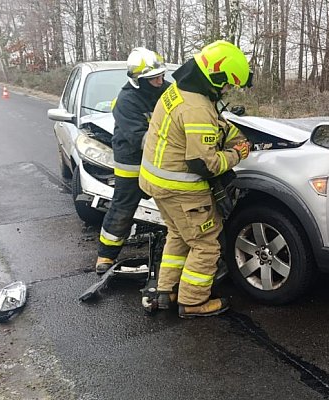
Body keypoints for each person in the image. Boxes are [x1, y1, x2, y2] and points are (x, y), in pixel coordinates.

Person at [138, 40, 252, 318]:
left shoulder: (178, 90)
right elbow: (204, 163)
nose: (226, 91)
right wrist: (237, 154)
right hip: (183, 189)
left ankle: (166, 290)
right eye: (226, 85)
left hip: (158, 183)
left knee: (178, 235)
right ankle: (193, 301)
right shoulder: (196, 107)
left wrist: (231, 133)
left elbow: (211, 123)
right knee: (205, 245)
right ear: (215, 76)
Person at [95, 47, 171, 274]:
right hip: (132, 162)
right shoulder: (126, 101)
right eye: (153, 78)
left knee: (170, 203)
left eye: (161, 76)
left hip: (160, 162)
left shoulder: (167, 91)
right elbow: (142, 138)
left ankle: (172, 249)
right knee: (123, 207)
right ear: (139, 80)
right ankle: (105, 256)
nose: (159, 81)